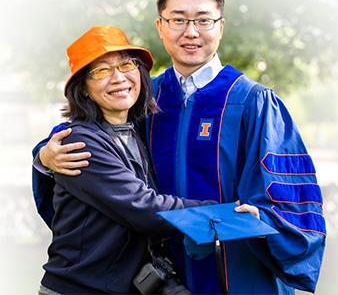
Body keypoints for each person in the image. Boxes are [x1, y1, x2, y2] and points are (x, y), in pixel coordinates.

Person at [33, 0, 326, 294]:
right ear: (161, 27)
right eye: (178, 20)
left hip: (237, 270)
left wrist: (258, 217)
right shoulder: (146, 98)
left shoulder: (253, 102)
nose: (191, 32)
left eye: (203, 19)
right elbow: (94, 133)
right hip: (167, 278)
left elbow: (292, 199)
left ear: (221, 26)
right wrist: (44, 154)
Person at [35, 25, 218, 295]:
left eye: (126, 64)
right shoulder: (80, 143)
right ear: (83, 89)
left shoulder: (134, 130)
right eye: (100, 70)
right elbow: (144, 207)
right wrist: (221, 214)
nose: (118, 77)